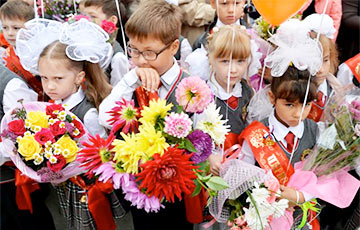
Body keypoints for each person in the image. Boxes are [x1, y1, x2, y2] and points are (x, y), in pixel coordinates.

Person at [16, 18, 123, 230]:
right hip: (67, 186)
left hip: (88, 188)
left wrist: (63, 167)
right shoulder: (52, 104)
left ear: (78, 77)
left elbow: (99, 157)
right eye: (44, 78)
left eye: (57, 78)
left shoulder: (88, 114)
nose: (49, 85)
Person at [99, 1, 192, 229]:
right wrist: (131, 79)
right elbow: (105, 118)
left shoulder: (189, 87)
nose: (140, 60)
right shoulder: (132, 81)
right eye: (134, 50)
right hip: (139, 185)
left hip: (176, 187)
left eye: (149, 53)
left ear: (173, 47)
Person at [204, 25, 254, 175]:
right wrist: (209, 156)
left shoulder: (247, 91)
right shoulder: (204, 94)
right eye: (225, 61)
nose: (233, 69)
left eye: (240, 61)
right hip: (212, 166)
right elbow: (196, 135)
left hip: (241, 162)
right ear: (211, 59)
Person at [0, 1, 44, 100]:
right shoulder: (7, 53)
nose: (10, 33)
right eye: (5, 28)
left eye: (16, 28)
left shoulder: (39, 52)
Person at [82, 0, 129, 86]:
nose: (87, 21)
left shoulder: (117, 57)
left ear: (112, 20)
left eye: (93, 16)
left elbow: (118, 93)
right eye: (85, 16)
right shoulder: (84, 45)